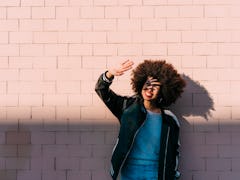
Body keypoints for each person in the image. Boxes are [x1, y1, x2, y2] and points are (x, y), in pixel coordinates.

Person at [95, 60, 186, 180]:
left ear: (163, 90)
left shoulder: (169, 119)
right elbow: (101, 90)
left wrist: (173, 174)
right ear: (141, 83)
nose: (150, 88)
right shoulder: (127, 107)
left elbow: (174, 150)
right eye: (147, 83)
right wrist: (110, 74)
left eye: (155, 86)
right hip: (129, 171)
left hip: (155, 172)